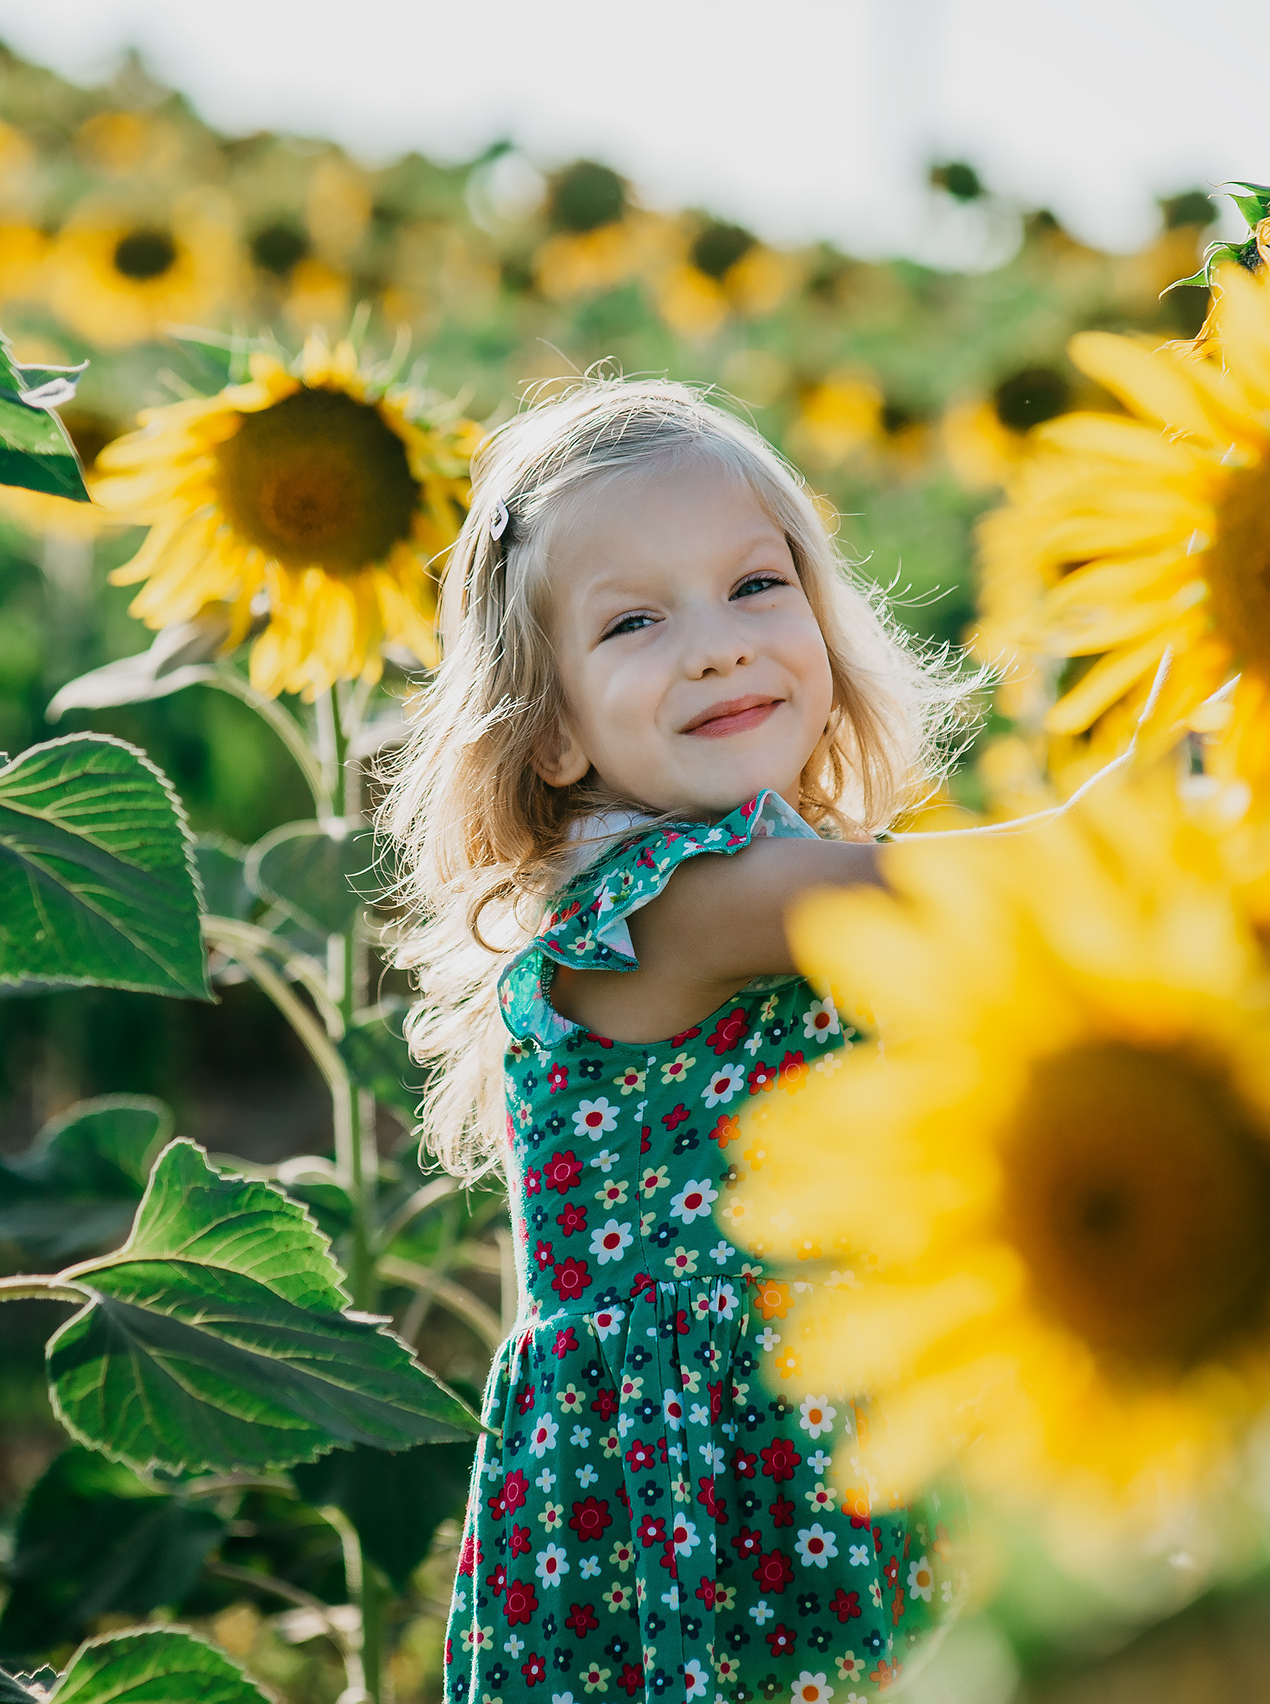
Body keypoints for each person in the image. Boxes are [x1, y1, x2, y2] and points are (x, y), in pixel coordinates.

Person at [381, 377, 984, 1703]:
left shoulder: (761, 868)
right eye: (637, 621)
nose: (714, 646)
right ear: (548, 733)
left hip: (803, 1431)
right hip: (694, 1495)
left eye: (756, 587)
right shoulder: (673, 907)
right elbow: (975, 901)